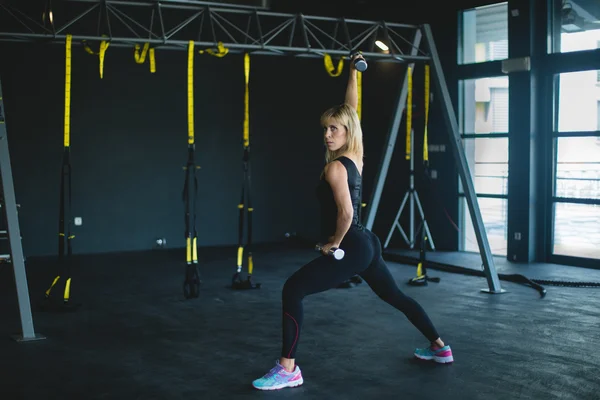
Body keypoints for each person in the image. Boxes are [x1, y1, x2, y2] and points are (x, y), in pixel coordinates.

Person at [252, 54, 453, 391]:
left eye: (334, 129)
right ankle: (439, 347)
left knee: (293, 289)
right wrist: (352, 71)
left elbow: (345, 213)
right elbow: (352, 108)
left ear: (347, 133)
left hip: (353, 244)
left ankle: (288, 368)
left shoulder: (334, 168)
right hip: (367, 242)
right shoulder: (355, 156)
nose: (328, 134)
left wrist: (333, 242)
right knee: (395, 297)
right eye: (325, 128)